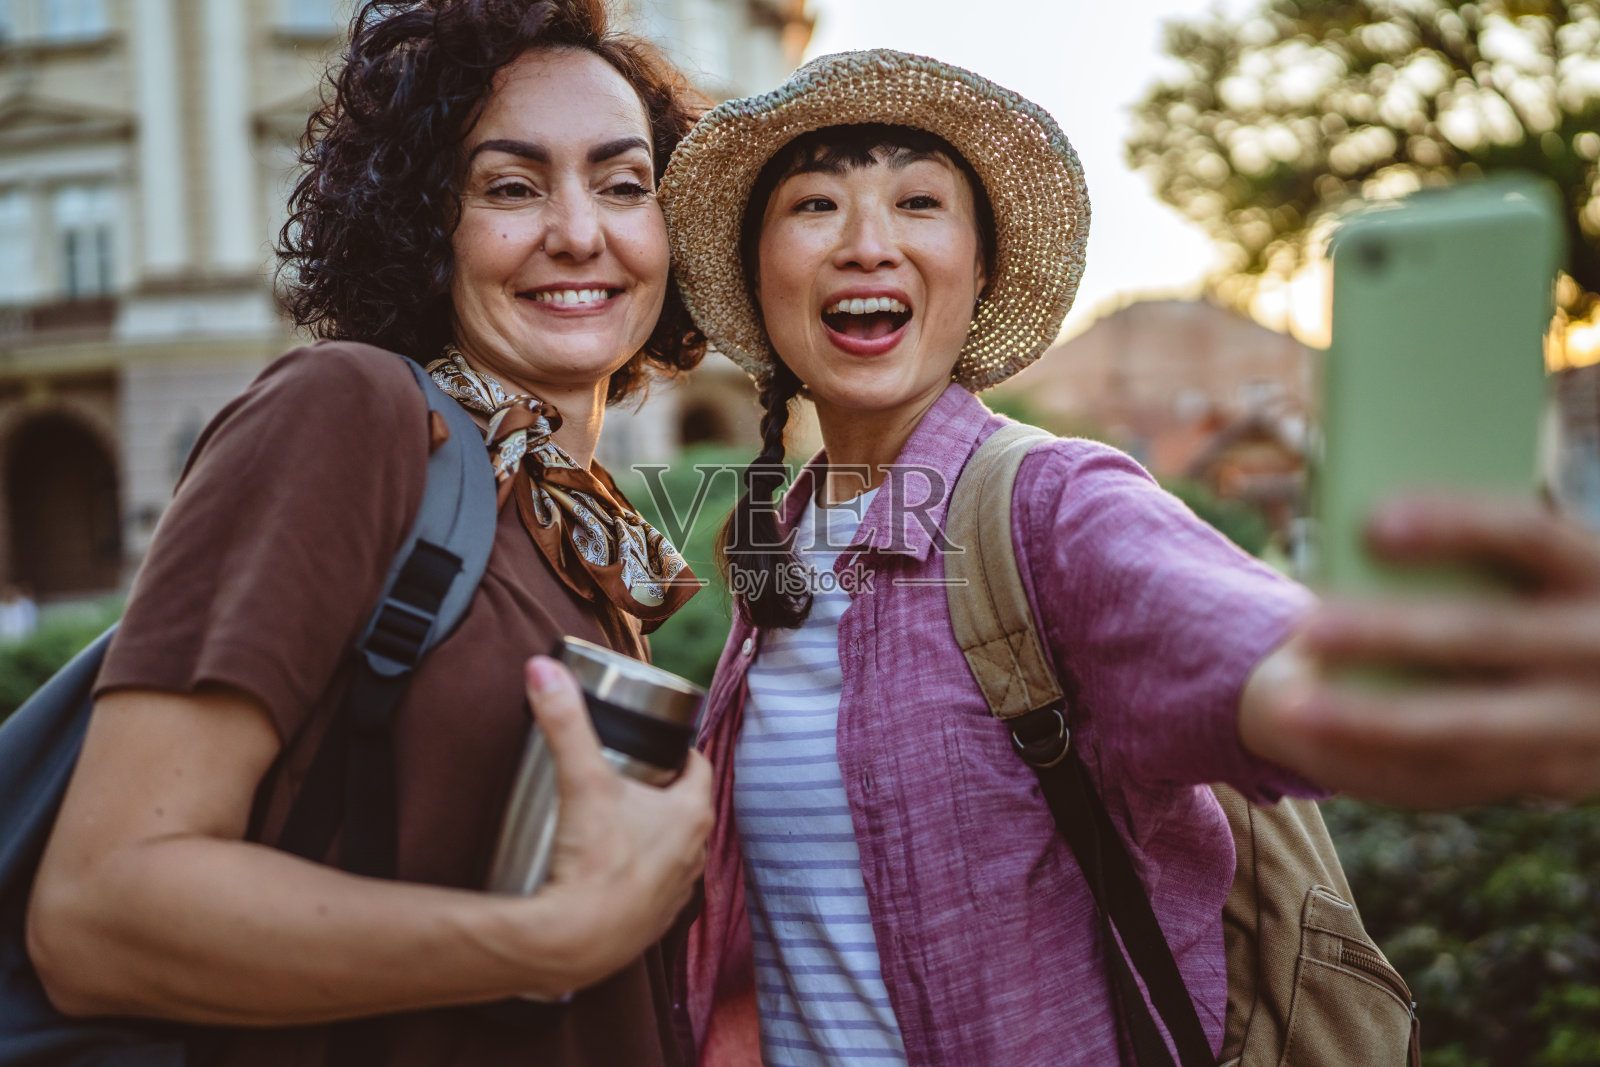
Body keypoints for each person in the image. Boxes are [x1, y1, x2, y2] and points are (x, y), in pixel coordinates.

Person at [657, 48, 1600, 1067]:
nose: (867, 243)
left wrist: (1430, 688)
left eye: (919, 202)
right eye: (813, 206)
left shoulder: (1054, 505)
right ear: (762, 276)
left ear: (979, 273)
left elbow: (1262, 661)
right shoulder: (780, 541)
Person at [25, 2, 712, 1065]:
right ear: (418, 221)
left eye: (625, 184)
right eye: (511, 185)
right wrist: (541, 940)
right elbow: (100, 909)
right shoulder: (351, 412)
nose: (581, 230)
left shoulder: (577, 530)